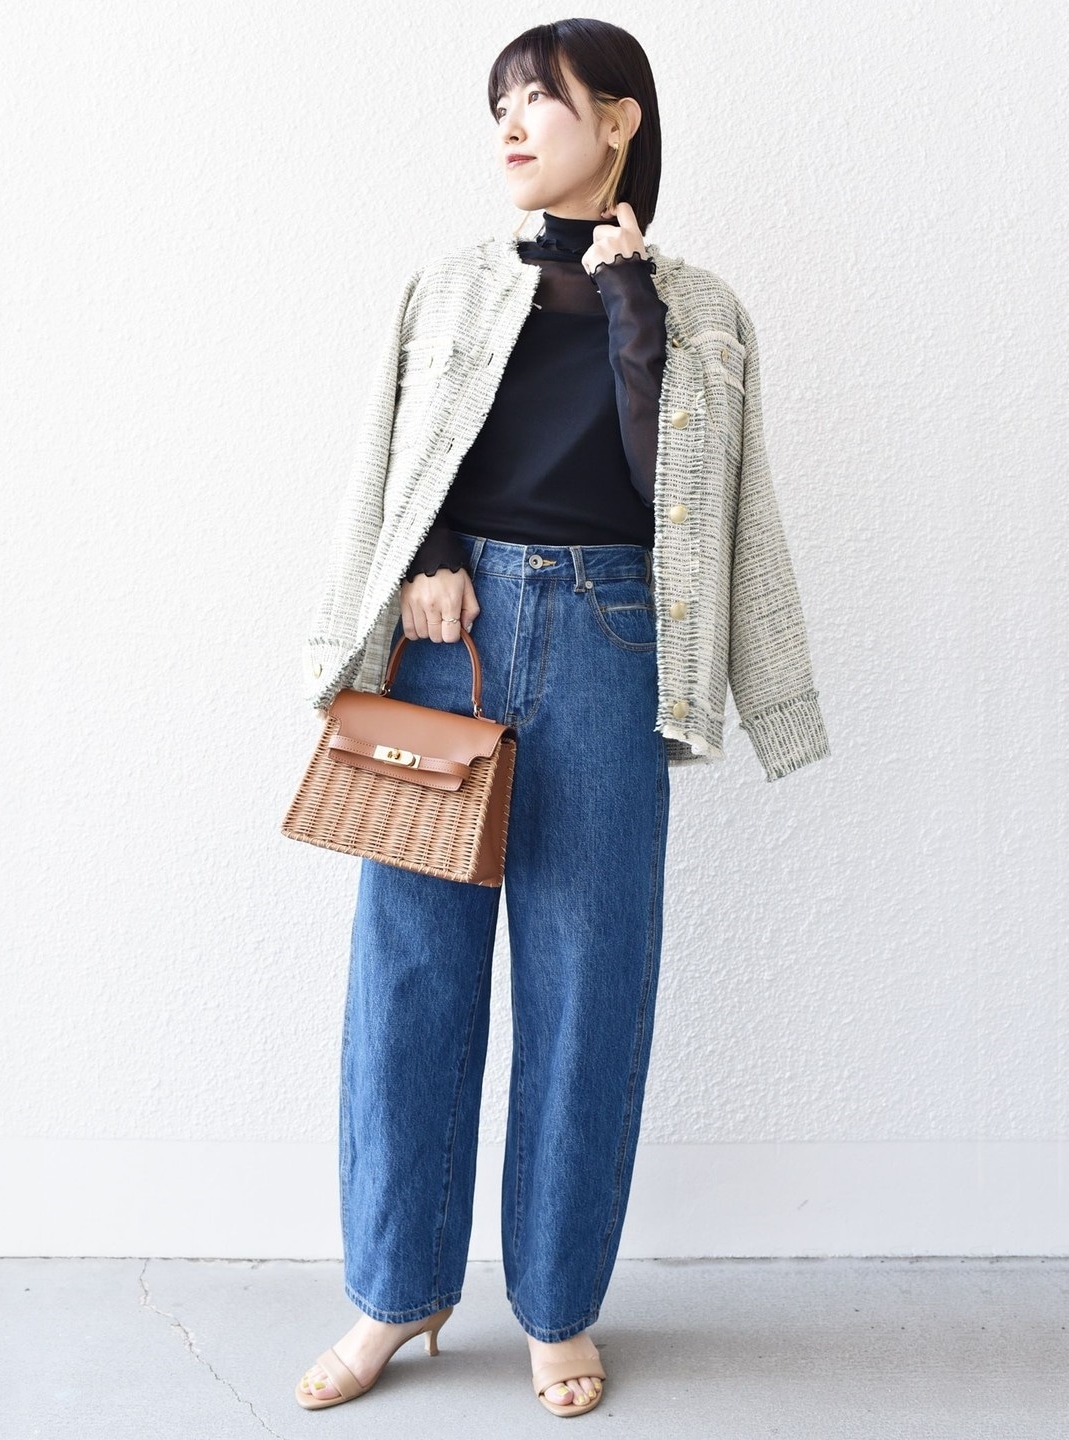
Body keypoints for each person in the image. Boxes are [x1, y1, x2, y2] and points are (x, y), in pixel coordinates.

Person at [296, 18, 830, 1418]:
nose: (513, 126)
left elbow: (692, 495)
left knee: (589, 985)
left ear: (622, 120)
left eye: (541, 99)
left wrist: (629, 298)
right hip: (450, 647)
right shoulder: (447, 287)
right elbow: (398, 464)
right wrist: (423, 565)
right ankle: (396, 1293)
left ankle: (555, 1306)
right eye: (502, 105)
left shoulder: (699, 308)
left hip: (610, 639)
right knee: (409, 977)